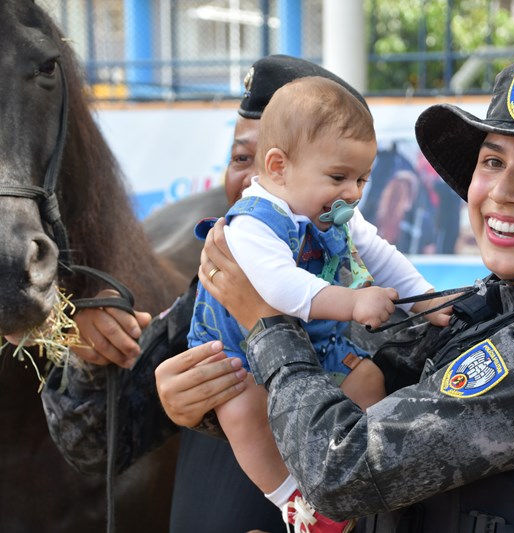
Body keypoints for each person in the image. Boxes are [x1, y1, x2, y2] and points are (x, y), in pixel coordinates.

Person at [180, 56, 514, 532]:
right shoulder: (493, 309)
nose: (502, 192)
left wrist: (265, 324)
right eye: (492, 161)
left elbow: (342, 471)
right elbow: (321, 400)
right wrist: (199, 400)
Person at [41, 55, 373, 533]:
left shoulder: (367, 296)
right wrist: (94, 365)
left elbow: (394, 461)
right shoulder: (208, 290)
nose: (257, 179)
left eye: (275, 162)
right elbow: (92, 449)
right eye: (243, 158)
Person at [189, 75, 449, 532]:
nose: (353, 192)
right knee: (242, 411)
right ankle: (293, 501)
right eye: (339, 177)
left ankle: (361, 484)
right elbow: (280, 289)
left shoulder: (332, 210)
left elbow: (381, 254)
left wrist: (426, 299)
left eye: (362, 179)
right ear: (278, 167)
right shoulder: (253, 222)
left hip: (312, 347)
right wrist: (352, 303)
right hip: (238, 356)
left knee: (367, 379)